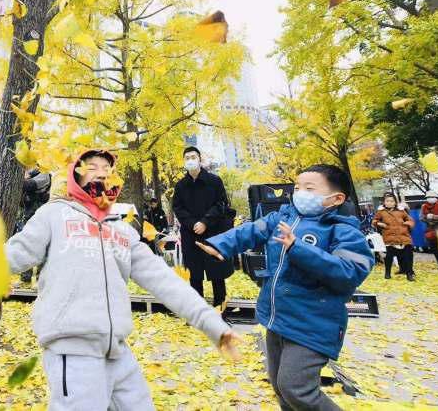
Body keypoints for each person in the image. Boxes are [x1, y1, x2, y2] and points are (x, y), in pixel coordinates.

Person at [0, 149, 239, 410]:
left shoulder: (122, 231)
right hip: (72, 353)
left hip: (118, 354)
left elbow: (166, 283)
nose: (102, 174)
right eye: (92, 168)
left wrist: (214, 325)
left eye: (107, 170)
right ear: (76, 175)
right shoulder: (54, 215)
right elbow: (5, 258)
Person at [199, 164, 373, 411]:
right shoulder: (282, 217)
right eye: (298, 187)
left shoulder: (343, 230)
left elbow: (349, 272)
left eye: (309, 188)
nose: (299, 193)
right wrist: (220, 244)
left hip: (311, 324)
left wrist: (297, 248)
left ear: (336, 198)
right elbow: (252, 230)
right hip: (277, 319)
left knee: (297, 390)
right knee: (281, 388)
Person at [172, 147, 234, 309]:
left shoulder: (214, 181)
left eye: (193, 156)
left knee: (217, 273)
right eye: (187, 158)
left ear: (200, 159)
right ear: (184, 161)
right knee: (194, 274)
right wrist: (193, 223)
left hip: (213, 231)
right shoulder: (180, 186)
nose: (190, 160)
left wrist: (205, 221)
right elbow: (178, 208)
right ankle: (198, 311)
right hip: (190, 233)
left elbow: (221, 204)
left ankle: (220, 308)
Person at [18, 168, 51, 284]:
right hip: (29, 216)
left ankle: (42, 279)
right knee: (26, 247)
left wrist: (23, 177)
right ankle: (25, 278)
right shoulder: (32, 175)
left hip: (41, 218)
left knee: (42, 248)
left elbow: (29, 185)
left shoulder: (44, 175)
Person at [372, 193, 416, 281]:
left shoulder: (401, 211)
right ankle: (387, 272)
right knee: (389, 256)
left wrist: (406, 224)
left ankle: (409, 274)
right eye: (387, 201)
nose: (389, 203)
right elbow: (374, 221)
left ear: (395, 202)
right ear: (384, 202)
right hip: (390, 236)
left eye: (391, 201)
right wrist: (379, 223)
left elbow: (410, 220)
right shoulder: (381, 212)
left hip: (403, 236)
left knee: (408, 255)